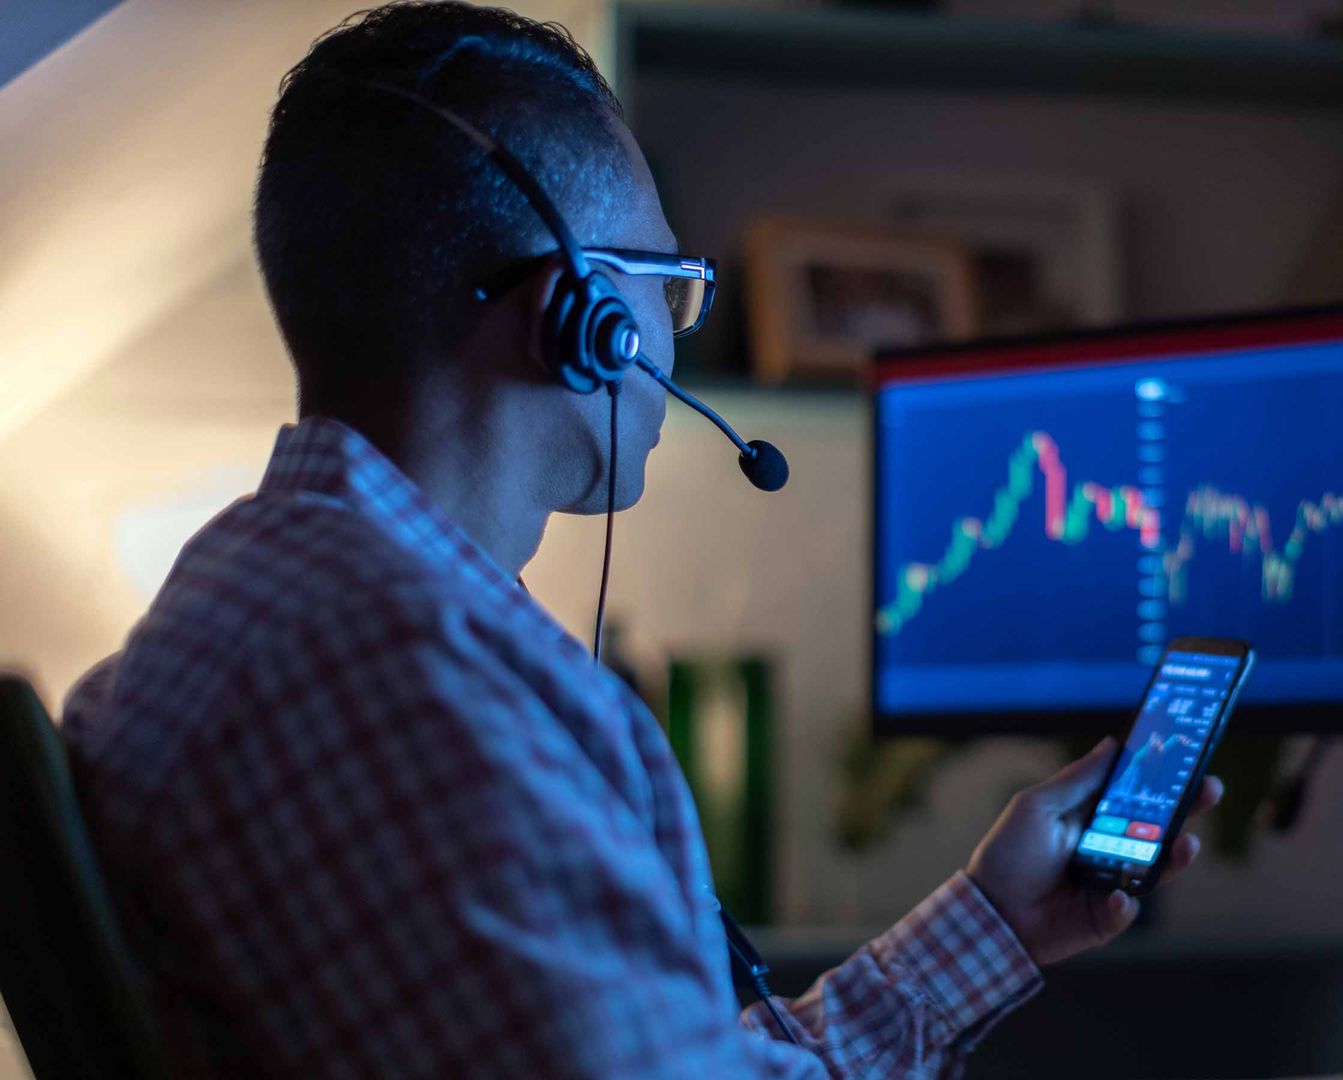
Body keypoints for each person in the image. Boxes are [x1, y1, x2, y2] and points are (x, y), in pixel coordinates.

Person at [61, 4, 1224, 1077]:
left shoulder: (241, 604)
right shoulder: (414, 678)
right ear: (584, 321)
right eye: (670, 291)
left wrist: (998, 921)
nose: (671, 338)